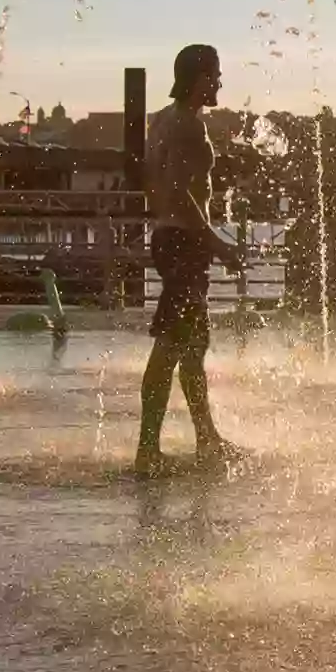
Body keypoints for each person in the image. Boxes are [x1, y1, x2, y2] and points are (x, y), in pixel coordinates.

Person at [135, 44, 248, 475]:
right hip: (184, 241)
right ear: (197, 78)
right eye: (214, 75)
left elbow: (157, 184)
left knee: (193, 347)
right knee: (170, 346)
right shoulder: (186, 126)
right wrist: (217, 244)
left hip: (171, 236)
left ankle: (208, 440)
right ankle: (148, 451)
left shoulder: (164, 120)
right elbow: (182, 192)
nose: (219, 82)